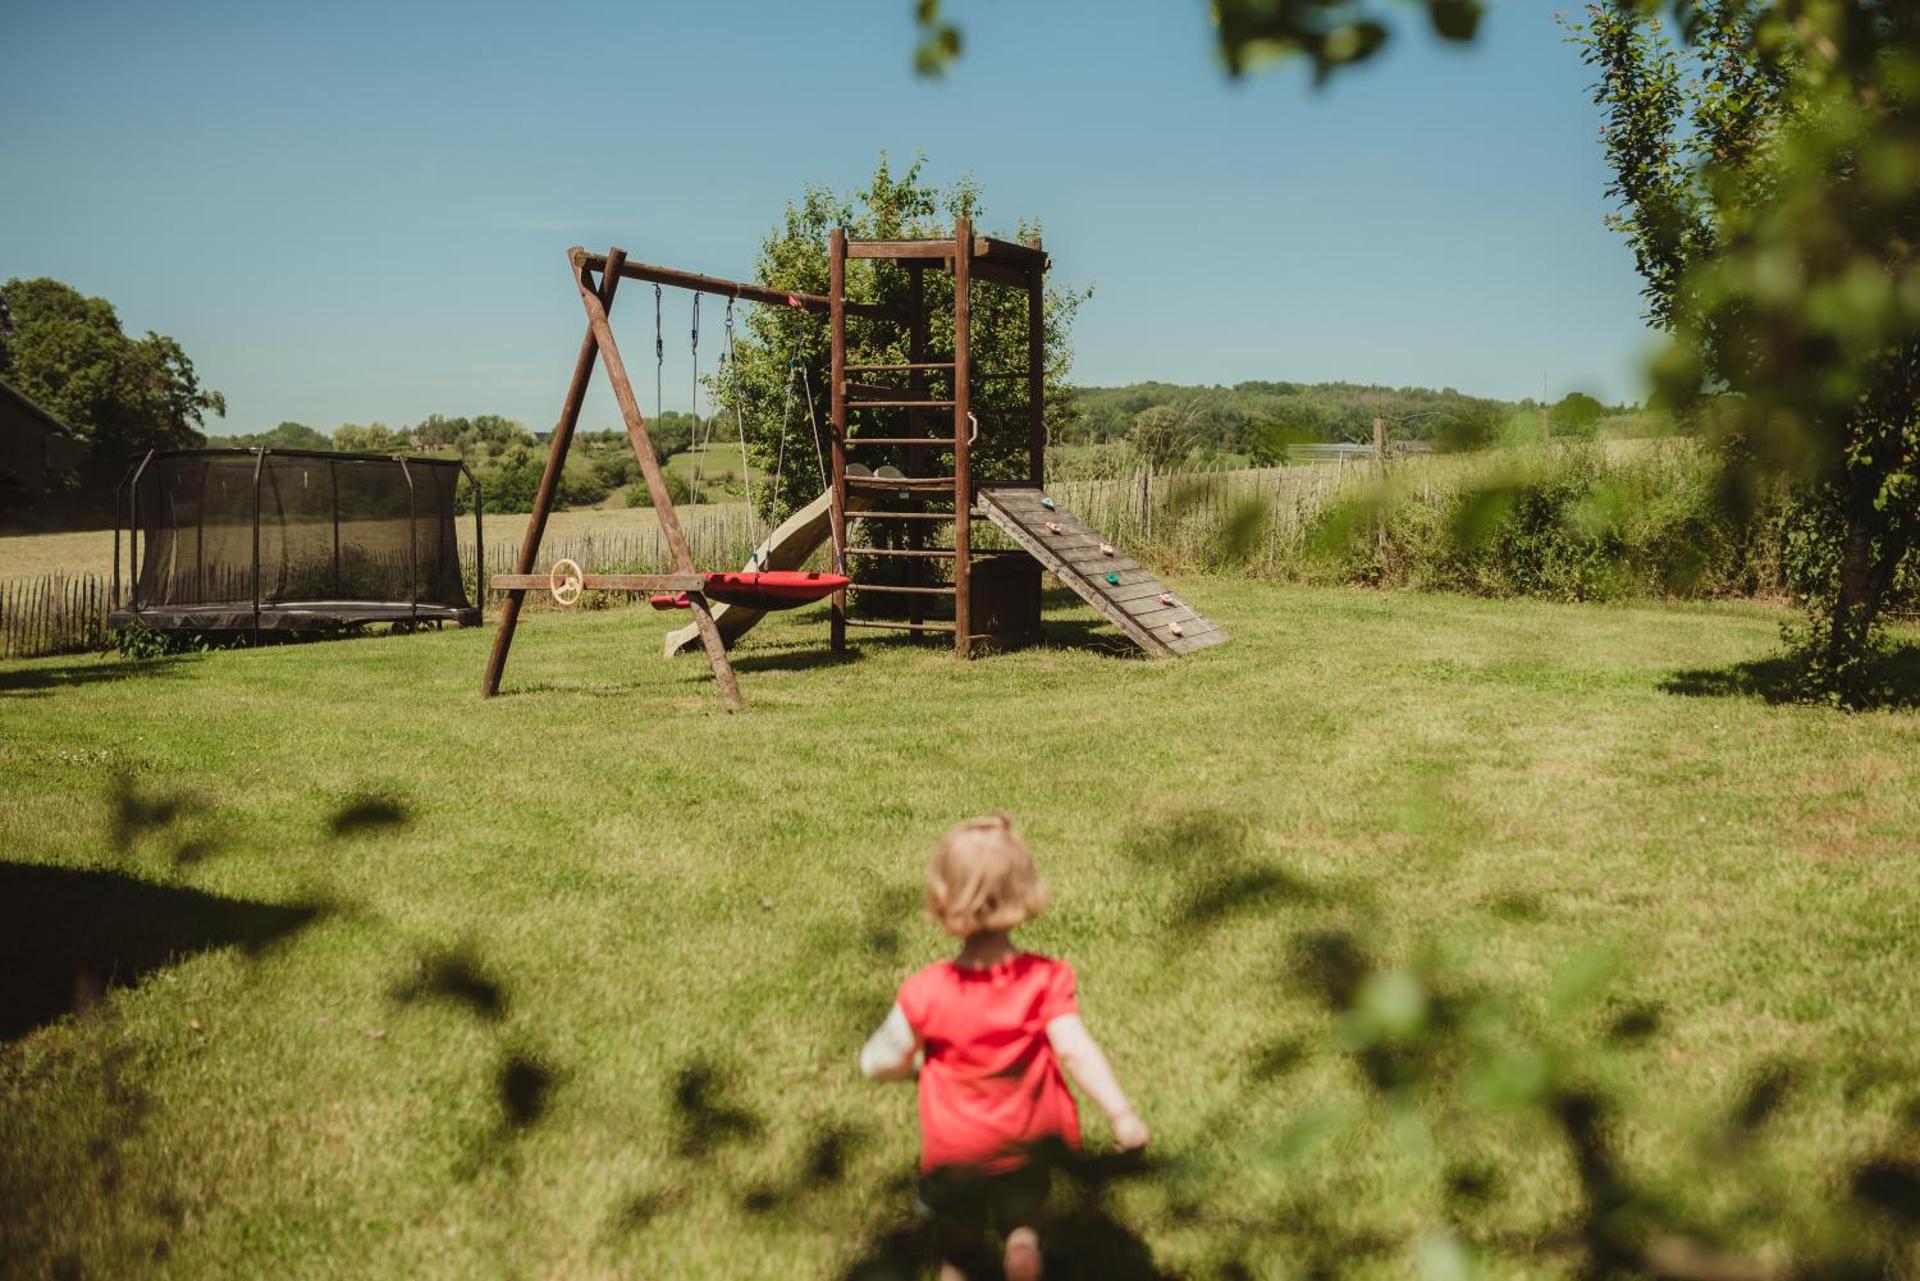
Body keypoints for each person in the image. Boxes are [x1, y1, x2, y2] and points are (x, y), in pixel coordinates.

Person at [860, 814, 1149, 1281]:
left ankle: (960, 1265)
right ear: (1025, 891)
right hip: (1029, 1146)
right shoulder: (1043, 980)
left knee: (958, 1250)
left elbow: (878, 1061)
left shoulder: (926, 992)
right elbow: (1076, 1050)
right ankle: (1022, 1249)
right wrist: (1121, 1114)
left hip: (957, 1154)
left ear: (942, 899)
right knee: (1024, 1224)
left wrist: (913, 1068)